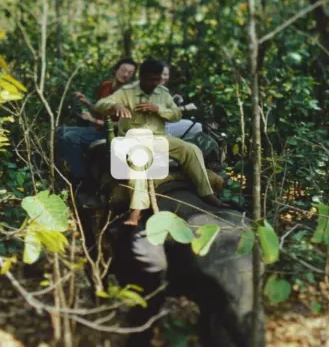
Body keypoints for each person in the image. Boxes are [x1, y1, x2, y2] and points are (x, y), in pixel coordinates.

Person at [93, 58, 229, 226]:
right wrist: (115, 106)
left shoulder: (162, 92)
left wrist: (159, 110)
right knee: (139, 160)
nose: (154, 83)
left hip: (158, 137)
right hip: (132, 138)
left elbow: (176, 114)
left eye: (157, 79)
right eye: (151, 79)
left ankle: (207, 193)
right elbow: (100, 104)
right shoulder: (127, 91)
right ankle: (136, 209)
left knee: (191, 149)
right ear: (141, 77)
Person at [56, 58, 137, 184]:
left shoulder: (130, 95)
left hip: (113, 135)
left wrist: (93, 120)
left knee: (69, 137)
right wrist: (87, 103)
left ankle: (82, 180)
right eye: (123, 70)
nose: (126, 74)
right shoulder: (106, 85)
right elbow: (101, 110)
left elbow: (122, 125)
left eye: (130, 73)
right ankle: (69, 169)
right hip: (98, 129)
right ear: (116, 70)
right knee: (60, 131)